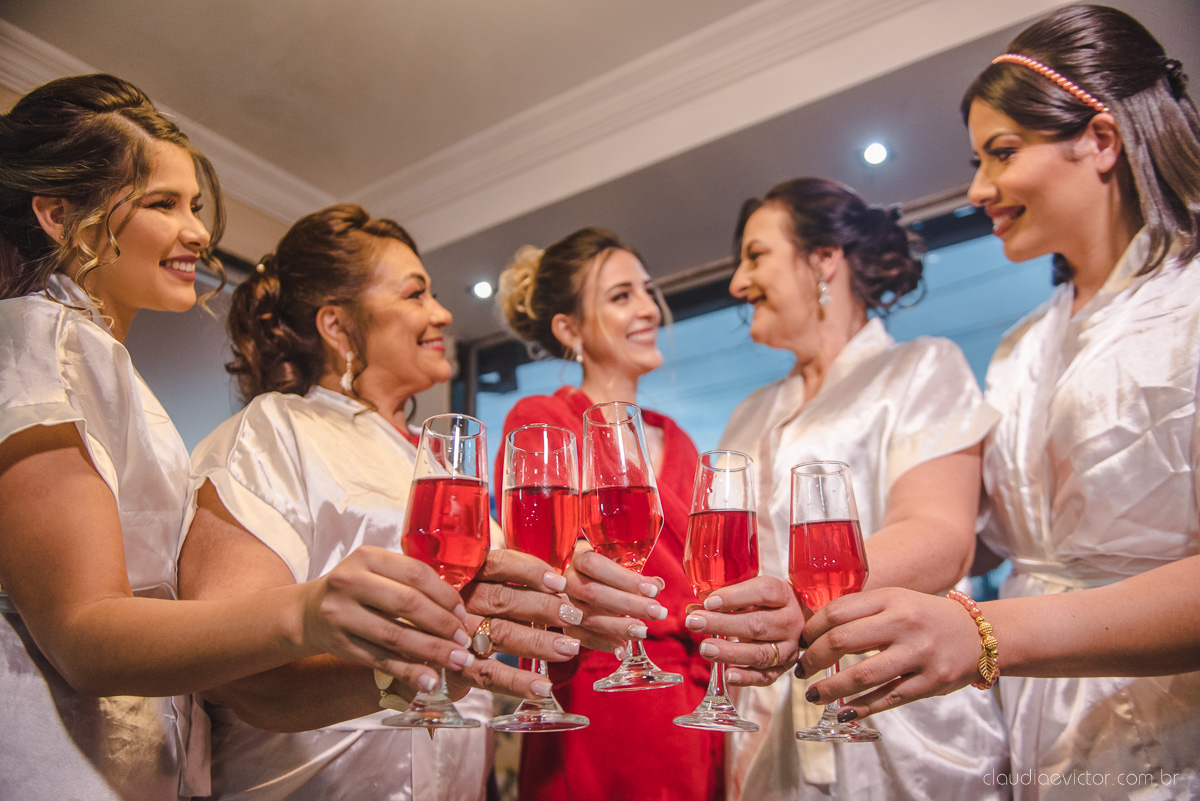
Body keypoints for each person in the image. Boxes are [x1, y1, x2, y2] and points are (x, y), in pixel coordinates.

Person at [0, 76, 472, 801]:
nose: (198, 231)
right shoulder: (41, 339)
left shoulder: (97, 361)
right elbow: (82, 627)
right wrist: (302, 611)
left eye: (194, 206)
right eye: (163, 204)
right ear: (60, 216)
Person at [796, 6, 1200, 799]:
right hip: (1036, 728)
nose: (979, 188)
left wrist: (984, 631)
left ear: (1102, 141)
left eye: (1002, 153)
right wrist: (824, 585)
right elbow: (982, 538)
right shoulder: (1021, 347)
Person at [179, 203, 609, 800]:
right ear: (337, 325)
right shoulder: (274, 432)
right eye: (415, 294)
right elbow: (232, 673)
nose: (442, 313)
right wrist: (411, 668)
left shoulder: (434, 464)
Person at [685, 177, 1008, 800]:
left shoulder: (921, 367)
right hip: (764, 705)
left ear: (824, 258)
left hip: (895, 704)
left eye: (756, 256)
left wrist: (800, 604)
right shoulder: (750, 413)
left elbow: (942, 538)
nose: (737, 283)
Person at [495, 228, 795, 801]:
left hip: (698, 700)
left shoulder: (679, 439)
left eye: (647, 291)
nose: (647, 308)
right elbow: (544, 553)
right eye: (620, 295)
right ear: (568, 329)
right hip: (602, 698)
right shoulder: (547, 418)